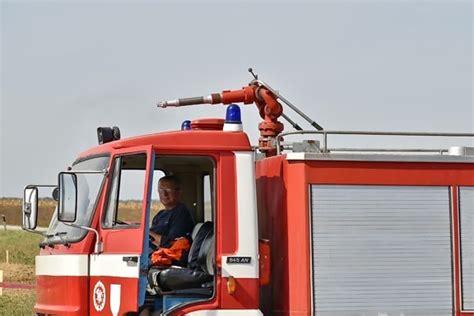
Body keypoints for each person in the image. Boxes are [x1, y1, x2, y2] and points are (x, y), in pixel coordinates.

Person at [149, 175, 194, 255]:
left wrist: (145, 232)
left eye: (168, 190)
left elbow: (171, 243)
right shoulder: (160, 214)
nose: (164, 194)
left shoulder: (181, 213)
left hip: (166, 258)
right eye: (161, 190)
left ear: (179, 191)